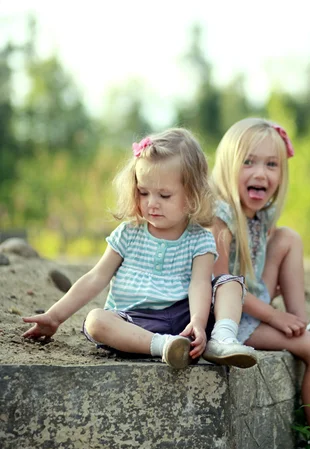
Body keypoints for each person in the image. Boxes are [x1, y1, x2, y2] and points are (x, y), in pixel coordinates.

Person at [22, 128, 257, 370]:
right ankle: (164, 346)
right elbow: (96, 277)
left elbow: (199, 284)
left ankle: (222, 339)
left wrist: (198, 321)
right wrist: (54, 316)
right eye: (143, 192)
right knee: (96, 321)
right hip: (134, 323)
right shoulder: (128, 233)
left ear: (192, 195)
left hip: (186, 318)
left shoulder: (199, 239)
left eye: (164, 195)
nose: (152, 203)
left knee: (229, 283)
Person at [211, 117, 310, 449]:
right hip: (227, 317)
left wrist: (286, 316)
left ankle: (302, 321)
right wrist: (274, 317)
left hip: (252, 301)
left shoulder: (257, 215)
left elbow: (258, 272)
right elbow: (221, 285)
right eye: (248, 162)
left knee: (288, 238)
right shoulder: (220, 218)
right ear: (228, 166)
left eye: (272, 164)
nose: (261, 174)